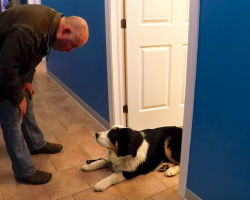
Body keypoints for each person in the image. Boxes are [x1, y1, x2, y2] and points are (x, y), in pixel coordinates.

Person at [0, 4, 89, 185]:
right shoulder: (29, 29)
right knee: (12, 114)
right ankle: (24, 171)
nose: (70, 50)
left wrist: (26, 81)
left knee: (27, 98)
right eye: (72, 44)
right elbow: (6, 67)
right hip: (2, 65)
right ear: (65, 31)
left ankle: (35, 143)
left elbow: (34, 53)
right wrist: (17, 98)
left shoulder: (50, 24)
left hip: (7, 60)